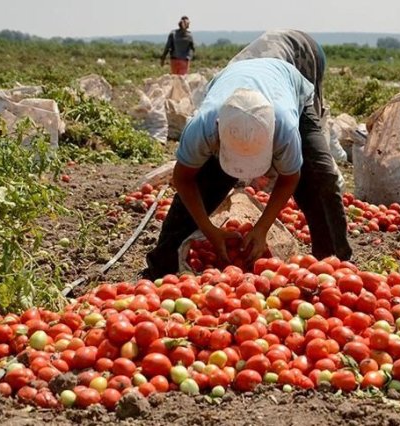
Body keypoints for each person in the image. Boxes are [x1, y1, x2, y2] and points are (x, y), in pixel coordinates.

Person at [142, 29, 352, 279]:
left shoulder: (284, 123)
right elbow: (184, 179)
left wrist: (262, 227)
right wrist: (209, 230)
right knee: (207, 182)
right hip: (233, 86)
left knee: (319, 177)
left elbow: (290, 178)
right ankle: (162, 265)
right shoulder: (203, 126)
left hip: (286, 86)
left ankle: (334, 266)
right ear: (219, 136)